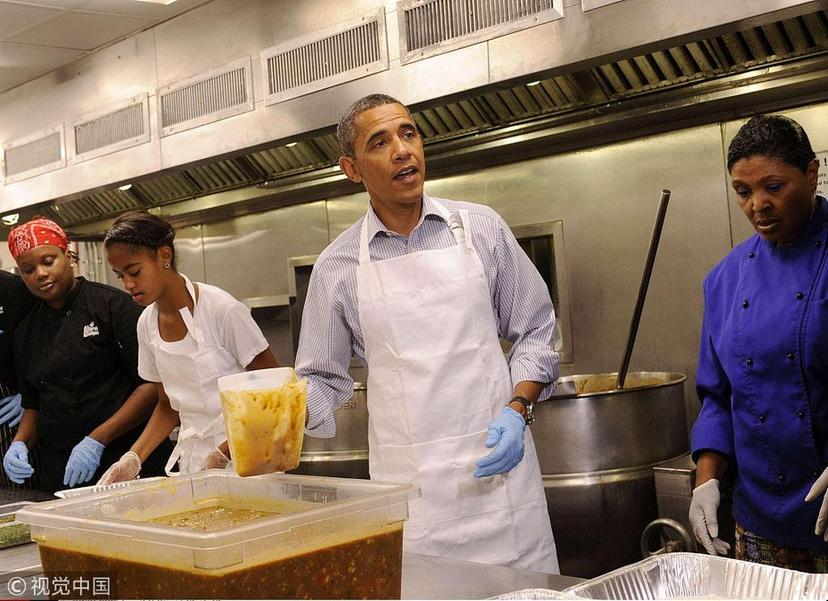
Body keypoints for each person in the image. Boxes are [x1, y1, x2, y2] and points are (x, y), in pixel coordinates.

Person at [295, 94, 559, 573]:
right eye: (381, 142)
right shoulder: (336, 267)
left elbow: (537, 329)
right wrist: (269, 422)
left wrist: (520, 408)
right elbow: (322, 378)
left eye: (409, 133)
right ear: (352, 169)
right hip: (415, 503)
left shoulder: (481, 229)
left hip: (503, 490)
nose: (402, 150)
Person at [690, 114, 828, 572]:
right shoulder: (723, 280)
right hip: (762, 526)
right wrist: (705, 482)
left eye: (773, 187)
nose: (758, 206)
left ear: (811, 175)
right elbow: (717, 398)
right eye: (743, 192)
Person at [98, 211, 279, 483]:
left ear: (164, 256)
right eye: (119, 275)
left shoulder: (221, 309)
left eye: (134, 271)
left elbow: (274, 391)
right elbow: (167, 406)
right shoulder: (146, 324)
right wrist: (132, 458)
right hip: (193, 464)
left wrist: (224, 453)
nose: (128, 284)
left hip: (250, 458)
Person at [2, 218, 171, 493]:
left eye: (48, 261)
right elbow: (33, 402)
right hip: (61, 474)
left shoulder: (113, 307)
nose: (40, 274)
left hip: (126, 461)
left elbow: (151, 386)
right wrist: (19, 443)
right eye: (28, 269)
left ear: (68, 256)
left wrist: (97, 439)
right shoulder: (26, 331)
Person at [0, 270, 39, 488]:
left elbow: (45, 344)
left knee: (20, 485)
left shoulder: (15, 290)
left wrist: (30, 395)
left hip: (13, 411)